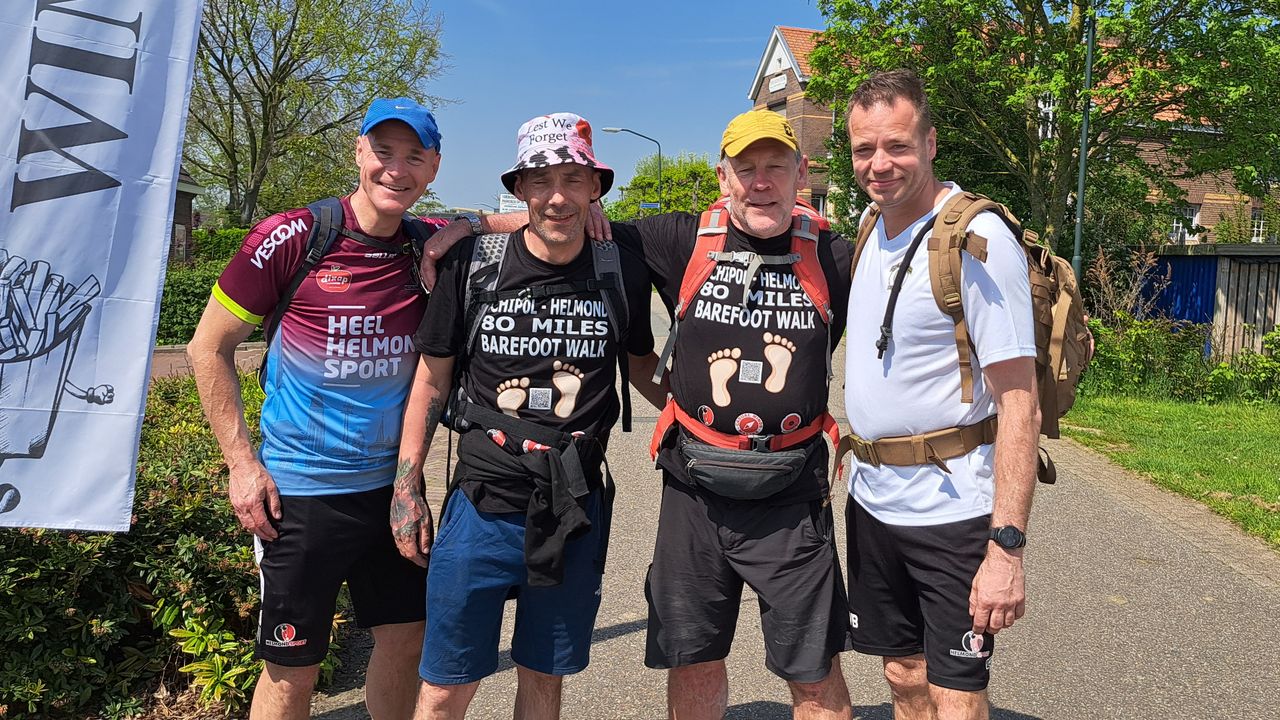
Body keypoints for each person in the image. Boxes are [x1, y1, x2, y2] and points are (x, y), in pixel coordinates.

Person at [423, 110, 856, 719]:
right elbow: (556, 218)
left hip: (792, 491)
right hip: (694, 490)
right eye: (746, 168)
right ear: (722, 177)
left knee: (814, 671)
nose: (761, 182)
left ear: (800, 173)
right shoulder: (677, 239)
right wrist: (470, 221)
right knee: (694, 657)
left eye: (776, 167)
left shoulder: (837, 254)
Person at [187, 97, 511, 720]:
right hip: (300, 493)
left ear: (434, 167)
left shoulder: (426, 240)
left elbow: (523, 220)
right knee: (292, 669)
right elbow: (208, 348)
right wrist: (241, 465)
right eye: (384, 152)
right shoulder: (295, 236)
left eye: (414, 157)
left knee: (405, 640)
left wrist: (586, 210)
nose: (397, 169)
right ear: (359, 152)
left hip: (393, 490)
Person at [394, 112, 662, 720]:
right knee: (443, 686)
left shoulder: (620, 266)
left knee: (544, 677)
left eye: (574, 178)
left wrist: (694, 421)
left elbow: (640, 364)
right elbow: (430, 380)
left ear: (597, 187)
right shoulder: (474, 267)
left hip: (573, 506)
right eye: (541, 181)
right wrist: (407, 486)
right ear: (520, 190)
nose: (558, 196)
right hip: (481, 505)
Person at [839, 69, 1041, 720]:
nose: (880, 163)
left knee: (957, 694)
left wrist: (1005, 548)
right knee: (902, 674)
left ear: (930, 143)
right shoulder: (872, 226)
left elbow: (1019, 402)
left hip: (952, 514)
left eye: (896, 145)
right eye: (864, 149)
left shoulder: (975, 242)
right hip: (873, 505)